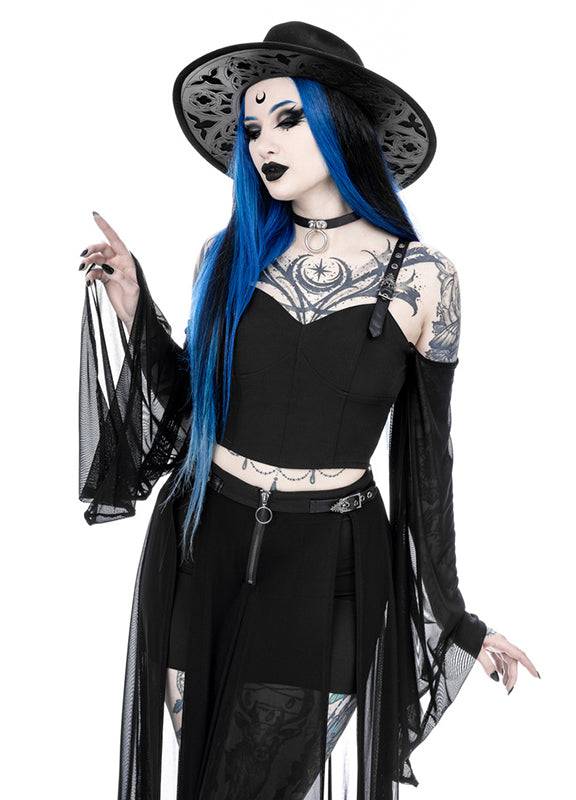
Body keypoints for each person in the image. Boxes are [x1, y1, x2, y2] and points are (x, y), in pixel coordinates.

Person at [77, 21, 540, 799]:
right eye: (252, 128)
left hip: (330, 566)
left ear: (339, 124)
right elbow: (192, 410)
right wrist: (134, 310)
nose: (265, 142)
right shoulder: (227, 255)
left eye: (287, 118)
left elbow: (429, 469)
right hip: (203, 547)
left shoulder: (423, 278)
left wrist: (455, 618)